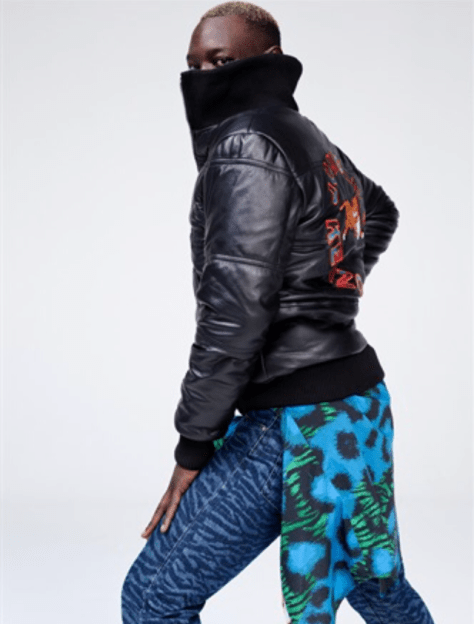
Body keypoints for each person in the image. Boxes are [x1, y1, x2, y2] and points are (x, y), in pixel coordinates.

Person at [121, 2, 436, 623]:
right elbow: (377, 210)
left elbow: (232, 315)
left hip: (298, 422)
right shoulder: (305, 135)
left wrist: (193, 448)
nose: (203, 76)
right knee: (373, 582)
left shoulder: (247, 144)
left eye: (221, 60)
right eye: (193, 64)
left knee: (153, 598)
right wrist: (328, 290)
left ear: (268, 59)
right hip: (359, 406)